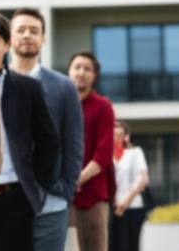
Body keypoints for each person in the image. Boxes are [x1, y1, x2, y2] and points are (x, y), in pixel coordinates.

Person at [0, 12, 59, 251]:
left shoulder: (27, 88)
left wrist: (34, 185)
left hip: (14, 199)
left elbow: (48, 141)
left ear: (7, 44)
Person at [9, 8, 84, 251]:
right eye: (20, 30)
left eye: (34, 30)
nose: (27, 35)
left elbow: (73, 143)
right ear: (10, 37)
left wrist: (64, 191)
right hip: (2, 204)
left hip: (50, 203)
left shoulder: (64, 87)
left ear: (44, 38)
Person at [68, 51, 116, 251]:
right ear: (69, 72)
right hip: (61, 193)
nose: (81, 72)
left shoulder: (103, 106)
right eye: (77, 67)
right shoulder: (59, 104)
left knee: (94, 247)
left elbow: (104, 152)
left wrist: (79, 178)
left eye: (87, 69)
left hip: (93, 193)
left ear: (94, 76)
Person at [111, 121, 149, 251]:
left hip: (132, 207)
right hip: (113, 209)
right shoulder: (107, 156)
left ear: (125, 136)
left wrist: (124, 203)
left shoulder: (135, 153)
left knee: (131, 246)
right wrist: (116, 203)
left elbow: (142, 179)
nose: (117, 136)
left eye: (120, 133)